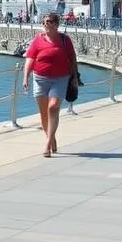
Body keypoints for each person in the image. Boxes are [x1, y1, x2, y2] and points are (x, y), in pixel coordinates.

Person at [22, 12, 78, 157]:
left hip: (60, 78)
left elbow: (72, 58)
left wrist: (74, 77)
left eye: (51, 22)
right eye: (45, 22)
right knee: (43, 113)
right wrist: (25, 77)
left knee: (53, 108)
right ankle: (51, 138)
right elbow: (30, 58)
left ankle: (47, 144)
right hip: (40, 78)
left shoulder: (65, 40)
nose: (47, 24)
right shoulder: (38, 40)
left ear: (57, 24)